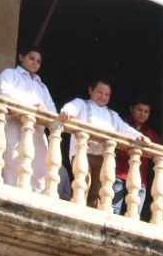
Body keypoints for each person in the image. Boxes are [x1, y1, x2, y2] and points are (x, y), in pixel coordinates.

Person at [58, 78, 149, 208]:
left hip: (103, 157)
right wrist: (67, 112)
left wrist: (139, 136)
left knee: (97, 193)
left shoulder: (112, 114)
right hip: (83, 153)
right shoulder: (81, 103)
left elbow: (125, 128)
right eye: (100, 93)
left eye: (107, 95)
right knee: (82, 186)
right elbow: (69, 108)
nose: (103, 97)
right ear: (91, 90)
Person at [0, 48, 56, 191]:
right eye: (31, 58)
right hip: (14, 127)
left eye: (38, 61)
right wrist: (32, 105)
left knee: (40, 168)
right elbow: (5, 93)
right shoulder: (9, 74)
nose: (35, 63)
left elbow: (52, 109)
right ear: (21, 57)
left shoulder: (42, 86)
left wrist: (44, 112)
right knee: (13, 163)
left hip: (38, 131)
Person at [113, 96, 160, 214]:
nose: (142, 114)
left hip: (140, 180)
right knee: (113, 211)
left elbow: (157, 158)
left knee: (134, 214)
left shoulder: (152, 135)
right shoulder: (121, 125)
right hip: (118, 174)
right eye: (139, 110)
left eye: (146, 111)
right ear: (131, 109)